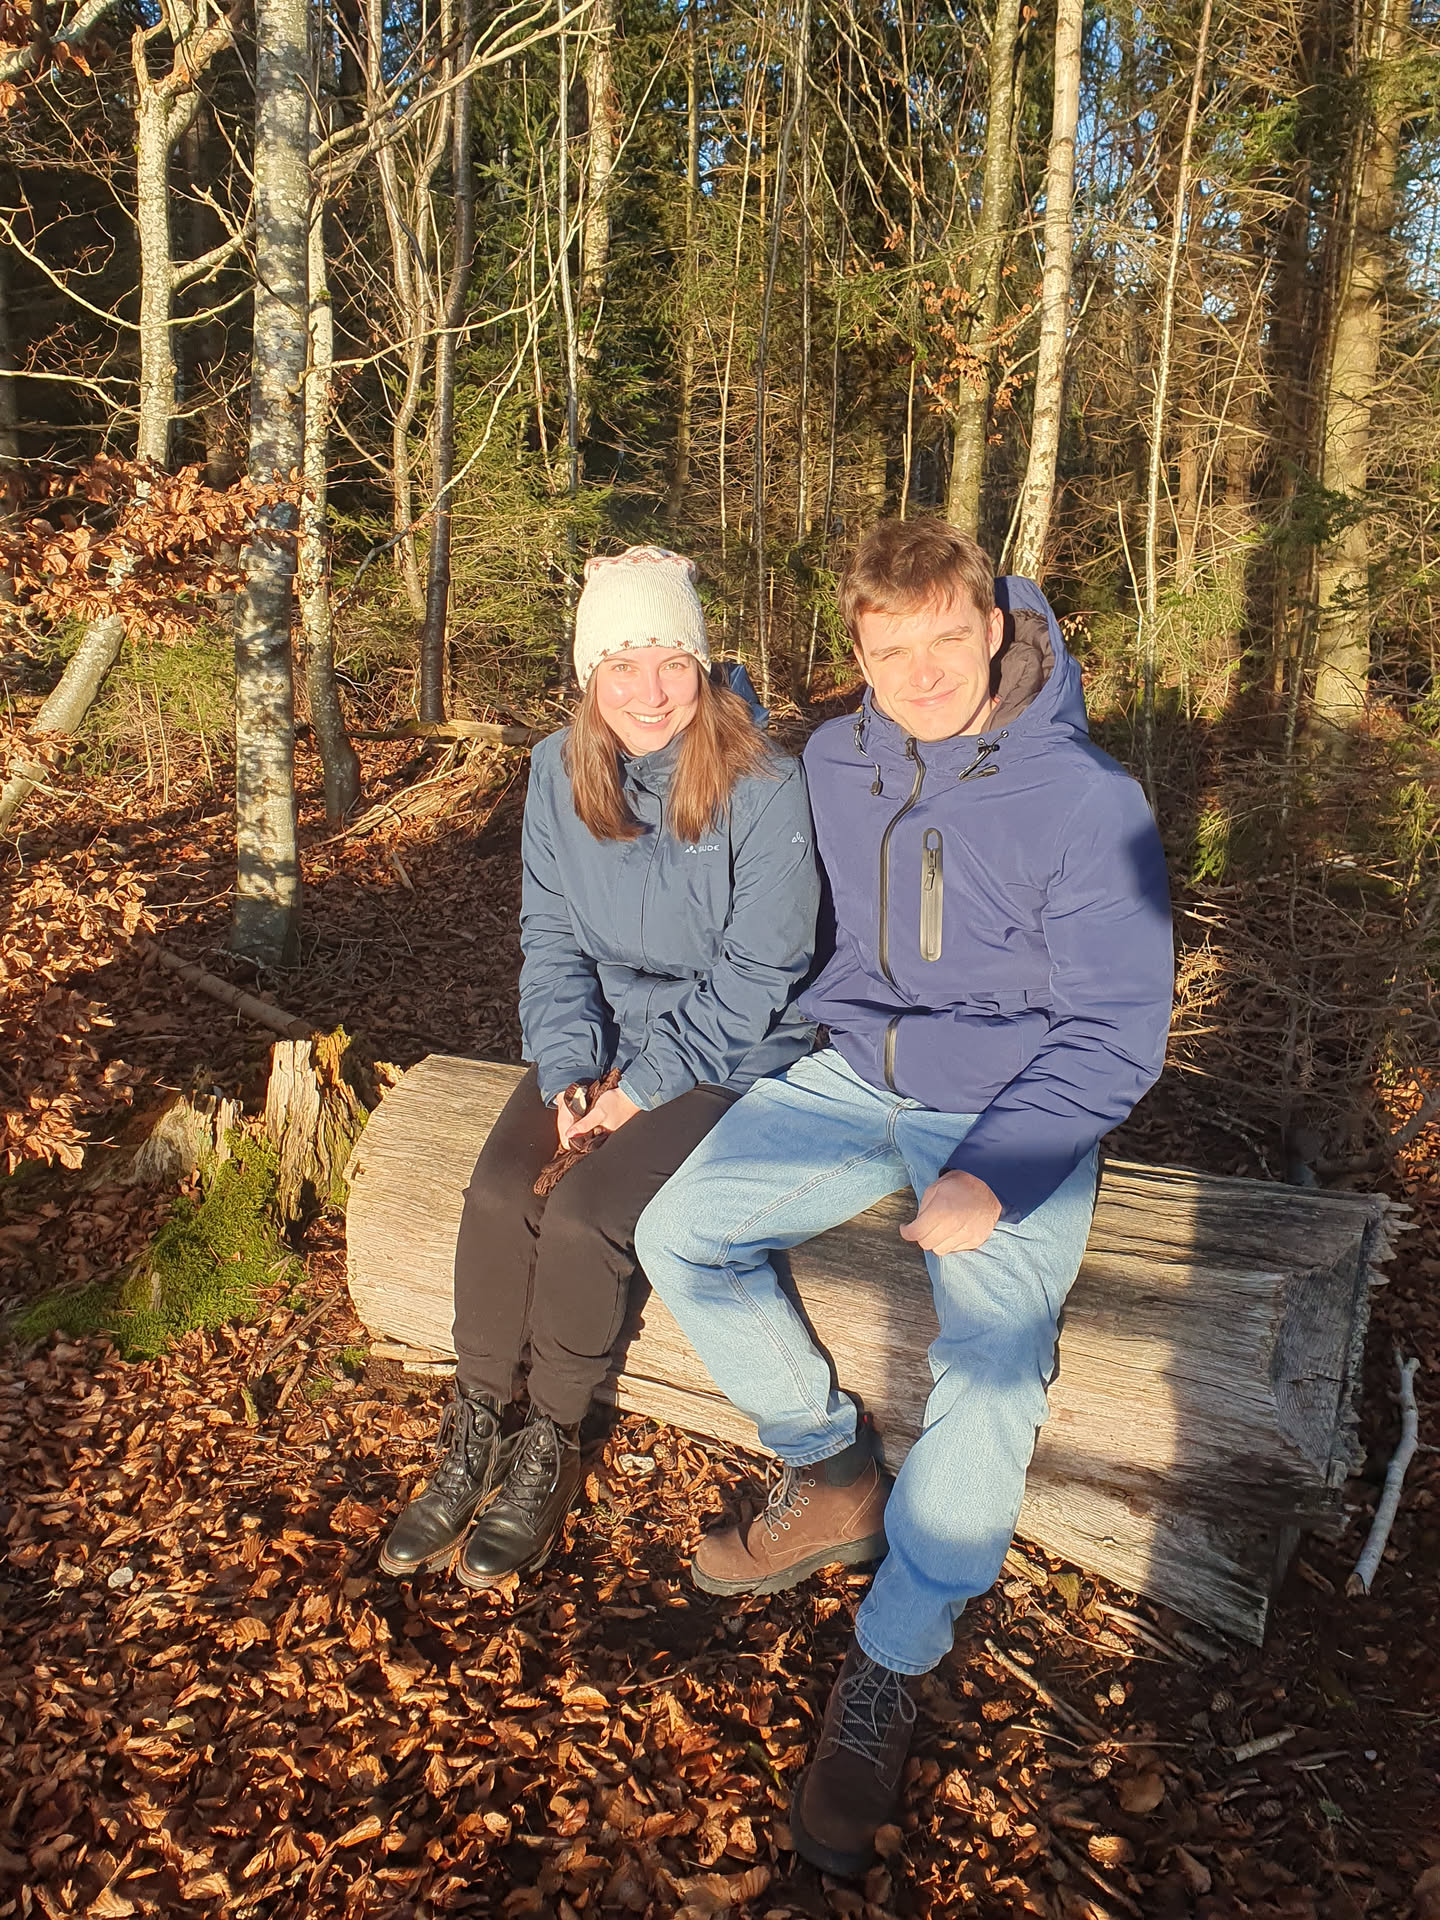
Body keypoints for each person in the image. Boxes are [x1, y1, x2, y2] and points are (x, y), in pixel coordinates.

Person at [634, 518, 1173, 1876]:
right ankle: (830, 1470)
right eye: (891, 650)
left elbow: (1116, 1028)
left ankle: (892, 1654)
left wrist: (998, 1170)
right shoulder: (840, 759)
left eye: (947, 639)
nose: (923, 672)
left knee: (991, 1365)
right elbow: (744, 822)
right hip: (850, 1076)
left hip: (1009, 1102)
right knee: (680, 1230)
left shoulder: (1085, 799)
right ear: (859, 654)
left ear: (994, 626)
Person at [380, 545, 820, 1589]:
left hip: (728, 1049)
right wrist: (572, 1065)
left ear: (702, 664)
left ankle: (552, 1440)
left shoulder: (765, 782)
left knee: (584, 1214)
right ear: (589, 675)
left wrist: (642, 1091)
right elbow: (550, 938)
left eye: (671, 662)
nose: (649, 692)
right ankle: (477, 1425)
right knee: (498, 1193)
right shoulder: (555, 768)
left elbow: (764, 969)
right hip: (607, 1032)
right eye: (622, 666)